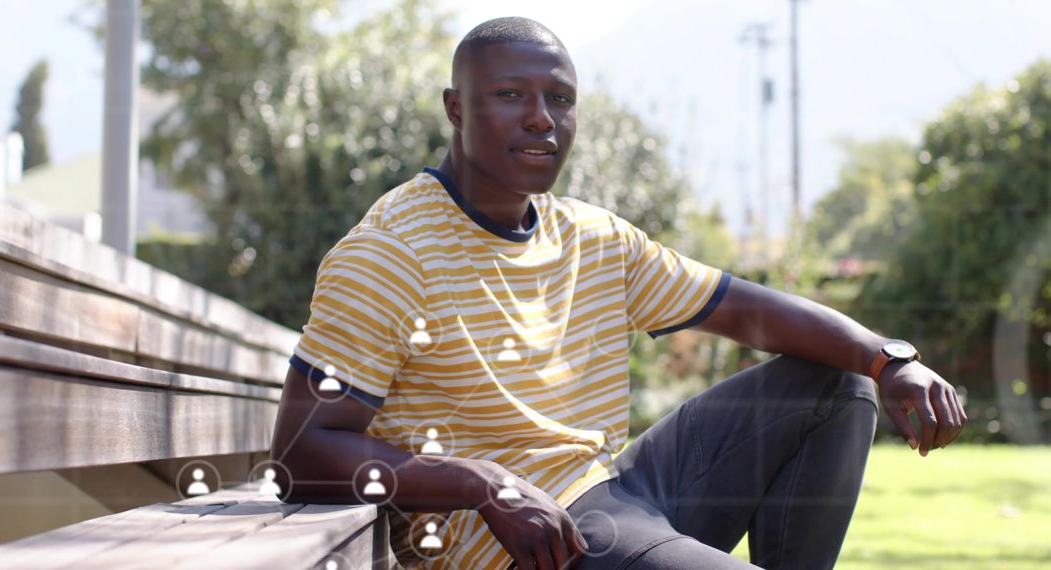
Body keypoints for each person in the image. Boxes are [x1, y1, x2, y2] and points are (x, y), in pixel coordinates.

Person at [269, 16, 966, 570]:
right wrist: (481, 484)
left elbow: (743, 308)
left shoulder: (592, 237)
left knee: (841, 385)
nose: (542, 118)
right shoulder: (390, 251)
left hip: (621, 490)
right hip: (523, 546)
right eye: (511, 95)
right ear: (456, 108)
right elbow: (302, 454)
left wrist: (887, 360)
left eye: (560, 99)